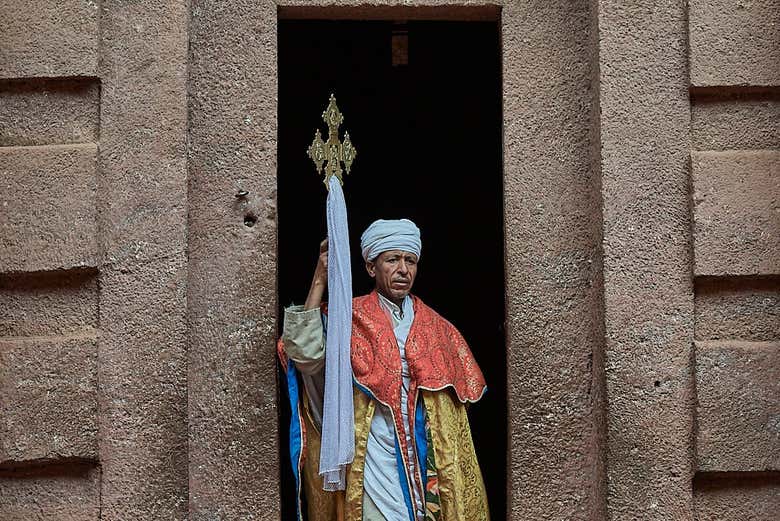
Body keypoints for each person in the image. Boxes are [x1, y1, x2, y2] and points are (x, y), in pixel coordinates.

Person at [278, 219, 489, 521]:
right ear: (370, 267)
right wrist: (320, 278)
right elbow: (305, 355)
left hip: (429, 465)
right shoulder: (347, 317)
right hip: (372, 461)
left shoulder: (440, 329)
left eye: (411, 261)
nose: (404, 269)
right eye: (392, 259)